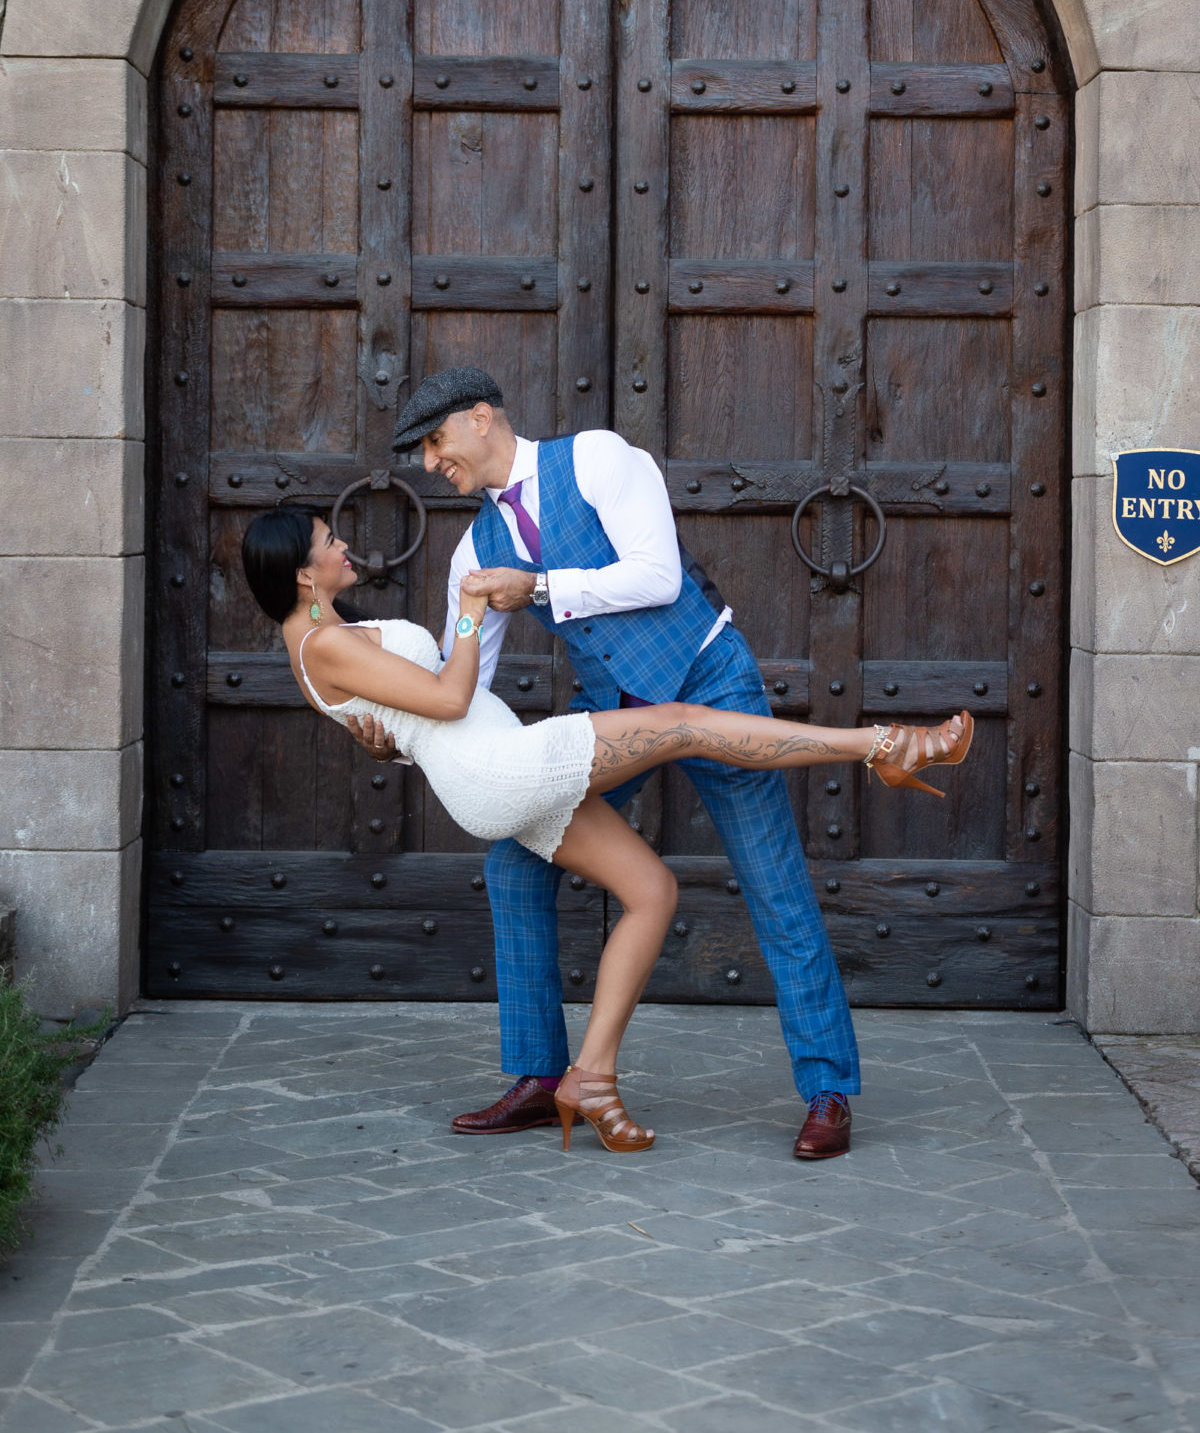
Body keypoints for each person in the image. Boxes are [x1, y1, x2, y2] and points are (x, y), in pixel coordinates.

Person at [342, 367, 970, 1160]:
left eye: (435, 442)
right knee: (515, 859)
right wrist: (398, 734)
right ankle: (540, 1077)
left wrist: (536, 585)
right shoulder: (475, 547)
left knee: (775, 883)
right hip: (616, 714)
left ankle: (827, 1089)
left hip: (710, 678)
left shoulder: (597, 458)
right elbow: (457, 688)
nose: (432, 463)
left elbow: (656, 574)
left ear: (480, 418)